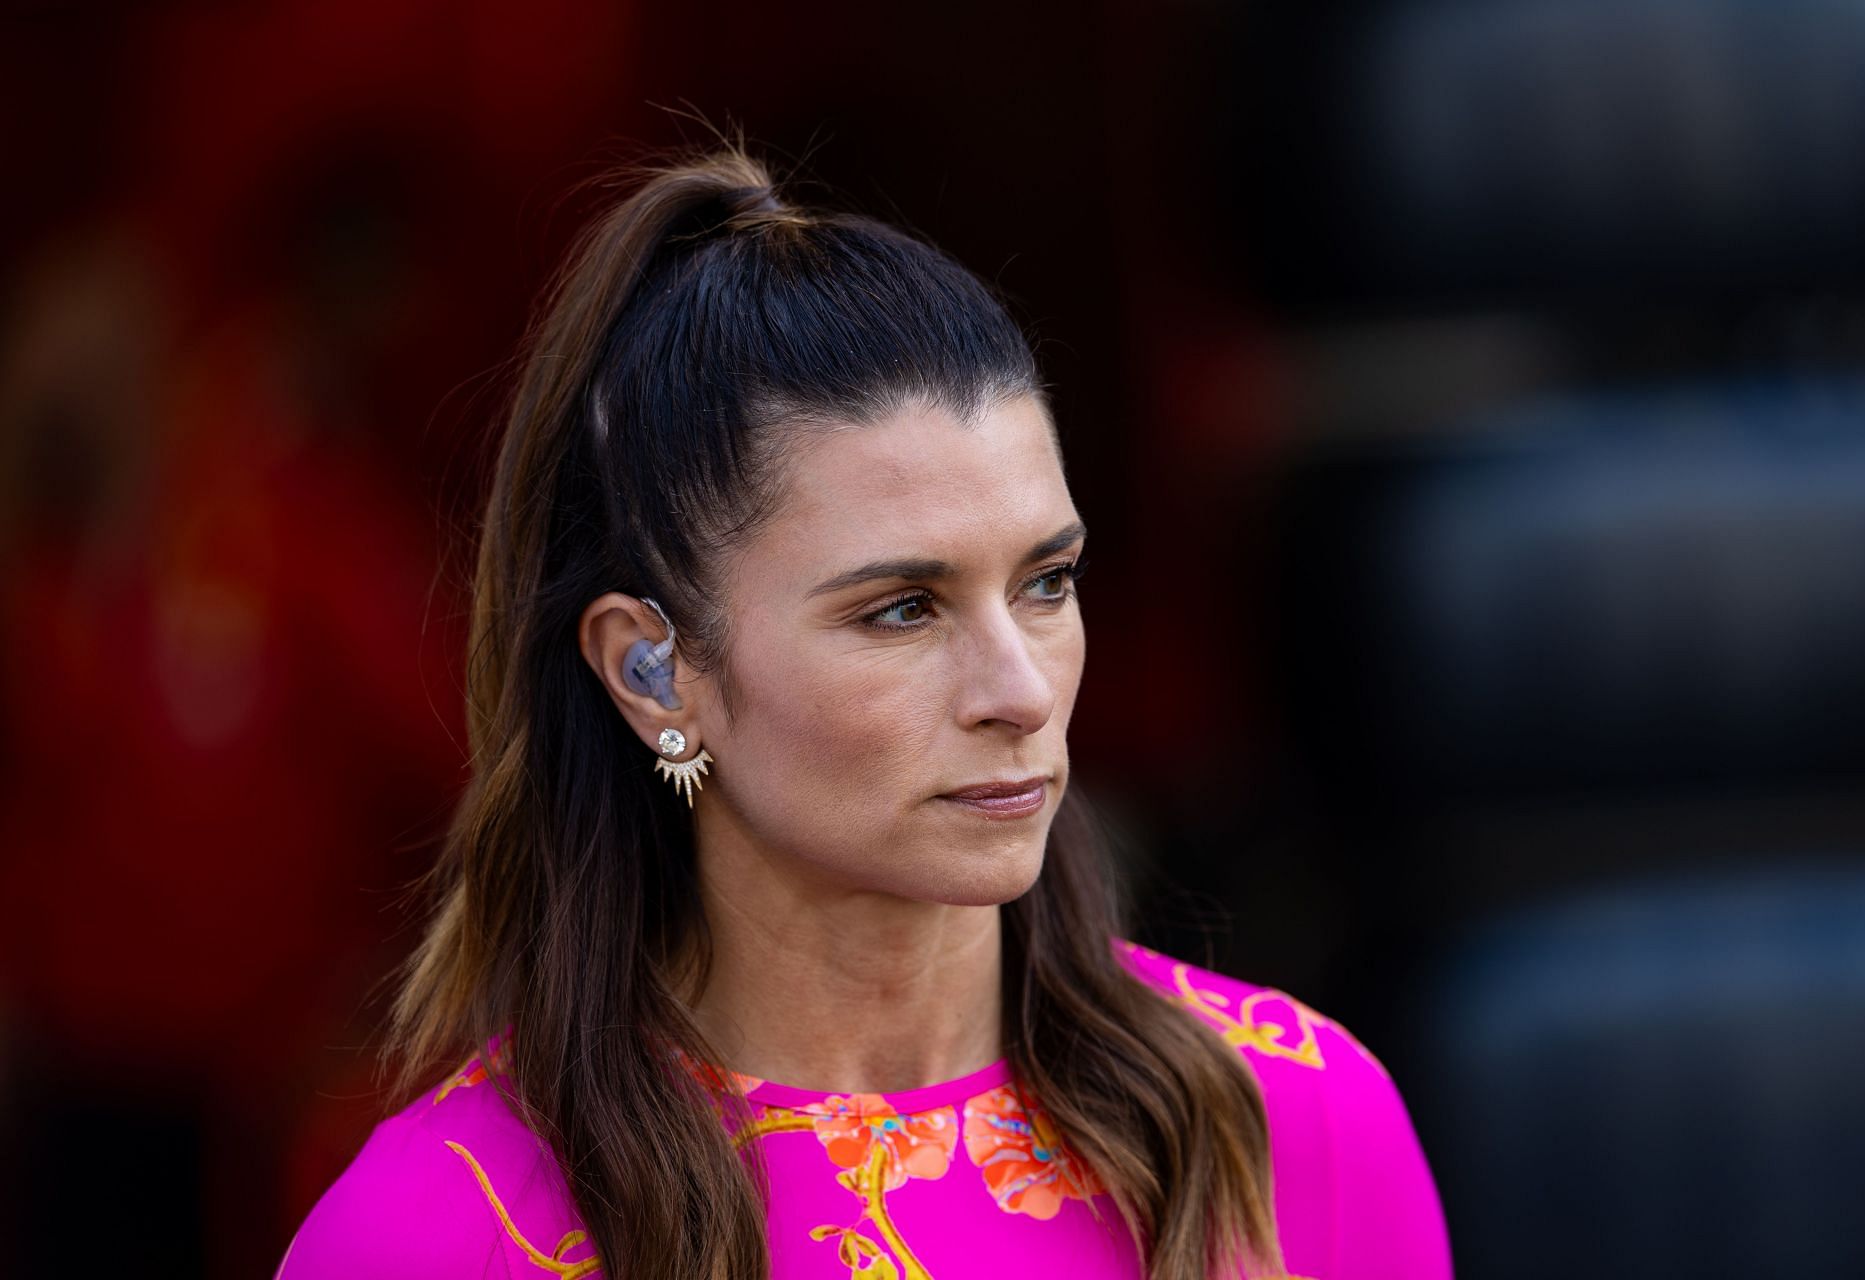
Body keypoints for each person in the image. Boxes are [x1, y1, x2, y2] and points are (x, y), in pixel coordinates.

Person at [274, 141, 1451, 1280]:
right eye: (902, 609)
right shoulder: (442, 1231)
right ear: (653, 672)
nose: (1021, 689)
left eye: (1046, 583)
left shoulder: (1290, 1121)